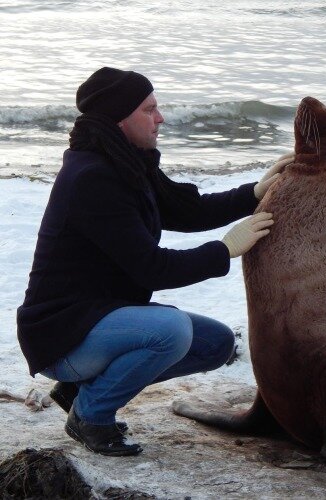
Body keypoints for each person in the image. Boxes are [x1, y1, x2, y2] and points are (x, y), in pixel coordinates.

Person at [17, 67, 293, 456]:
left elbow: (187, 209)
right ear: (119, 116)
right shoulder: (92, 178)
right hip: (62, 336)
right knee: (171, 331)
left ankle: (81, 391)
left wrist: (255, 192)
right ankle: (91, 416)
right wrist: (225, 249)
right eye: (149, 109)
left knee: (214, 344)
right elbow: (153, 268)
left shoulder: (125, 162)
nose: (160, 118)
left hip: (98, 319)